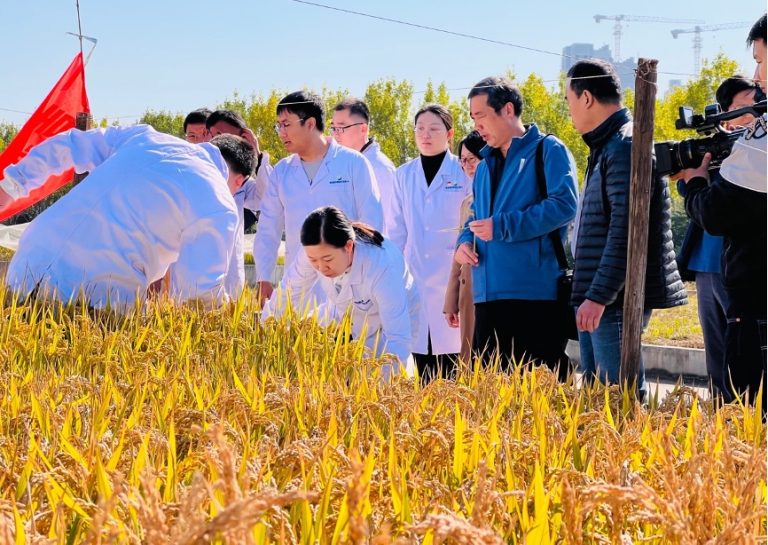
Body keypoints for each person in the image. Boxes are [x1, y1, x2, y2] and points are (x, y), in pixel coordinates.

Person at [0, 125, 255, 309]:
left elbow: (70, 143)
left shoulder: (143, 136)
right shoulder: (218, 198)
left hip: (28, 264)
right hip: (96, 298)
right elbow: (199, 292)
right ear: (240, 180)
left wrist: (12, 186)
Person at [565, 59, 687, 398]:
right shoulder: (607, 145)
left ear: (586, 97)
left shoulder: (624, 146)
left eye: (568, 100)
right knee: (596, 394)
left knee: (618, 395)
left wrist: (599, 295)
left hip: (612, 299)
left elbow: (627, 231)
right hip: (598, 295)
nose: (569, 109)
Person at [455, 77, 578, 378]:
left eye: (481, 116)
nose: (477, 126)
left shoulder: (547, 149)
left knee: (540, 397)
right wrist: (463, 241)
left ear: (507, 110)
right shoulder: (483, 166)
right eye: (473, 118)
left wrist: (503, 226)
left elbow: (565, 206)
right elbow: (476, 217)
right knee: (491, 399)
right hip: (487, 295)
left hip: (533, 295)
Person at [678, 14, 767, 408]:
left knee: (746, 420)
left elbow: (717, 212)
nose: (757, 74)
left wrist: (695, 181)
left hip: (757, 311)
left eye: (763, 60)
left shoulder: (760, 142)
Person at [253, 90, 384, 303]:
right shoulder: (282, 172)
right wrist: (263, 277)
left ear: (310, 123)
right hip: (298, 286)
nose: (281, 132)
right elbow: (268, 229)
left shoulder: (353, 163)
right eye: (278, 125)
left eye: (286, 124)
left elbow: (371, 222)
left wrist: (365, 278)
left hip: (349, 286)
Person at [263, 206, 419, 380]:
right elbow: (289, 293)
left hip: (392, 320)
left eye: (328, 260)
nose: (321, 267)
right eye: (314, 261)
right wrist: (265, 333)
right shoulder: (315, 251)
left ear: (348, 246)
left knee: (383, 373)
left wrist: (390, 385)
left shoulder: (381, 267)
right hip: (350, 310)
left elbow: (398, 338)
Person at [390, 104, 471, 382]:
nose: (425, 135)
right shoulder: (403, 175)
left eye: (434, 129)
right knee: (422, 359)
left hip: (452, 275)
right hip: (415, 277)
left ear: (449, 134)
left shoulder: (463, 172)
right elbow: (397, 230)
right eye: (420, 129)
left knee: (453, 362)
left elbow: (470, 221)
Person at [204, 109, 274, 295]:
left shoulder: (241, 181)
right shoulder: (195, 173)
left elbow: (264, 199)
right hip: (196, 272)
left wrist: (258, 157)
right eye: (217, 135)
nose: (223, 143)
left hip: (230, 275)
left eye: (230, 136)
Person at [443, 130, 485, 364]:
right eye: (463, 161)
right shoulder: (467, 202)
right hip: (469, 289)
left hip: (492, 289)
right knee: (469, 359)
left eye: (472, 159)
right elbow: (458, 254)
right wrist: (451, 299)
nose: (467, 166)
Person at [331, 98, 398, 235]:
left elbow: (390, 225)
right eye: (333, 128)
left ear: (363, 128)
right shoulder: (340, 163)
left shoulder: (380, 168)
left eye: (341, 127)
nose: (336, 134)